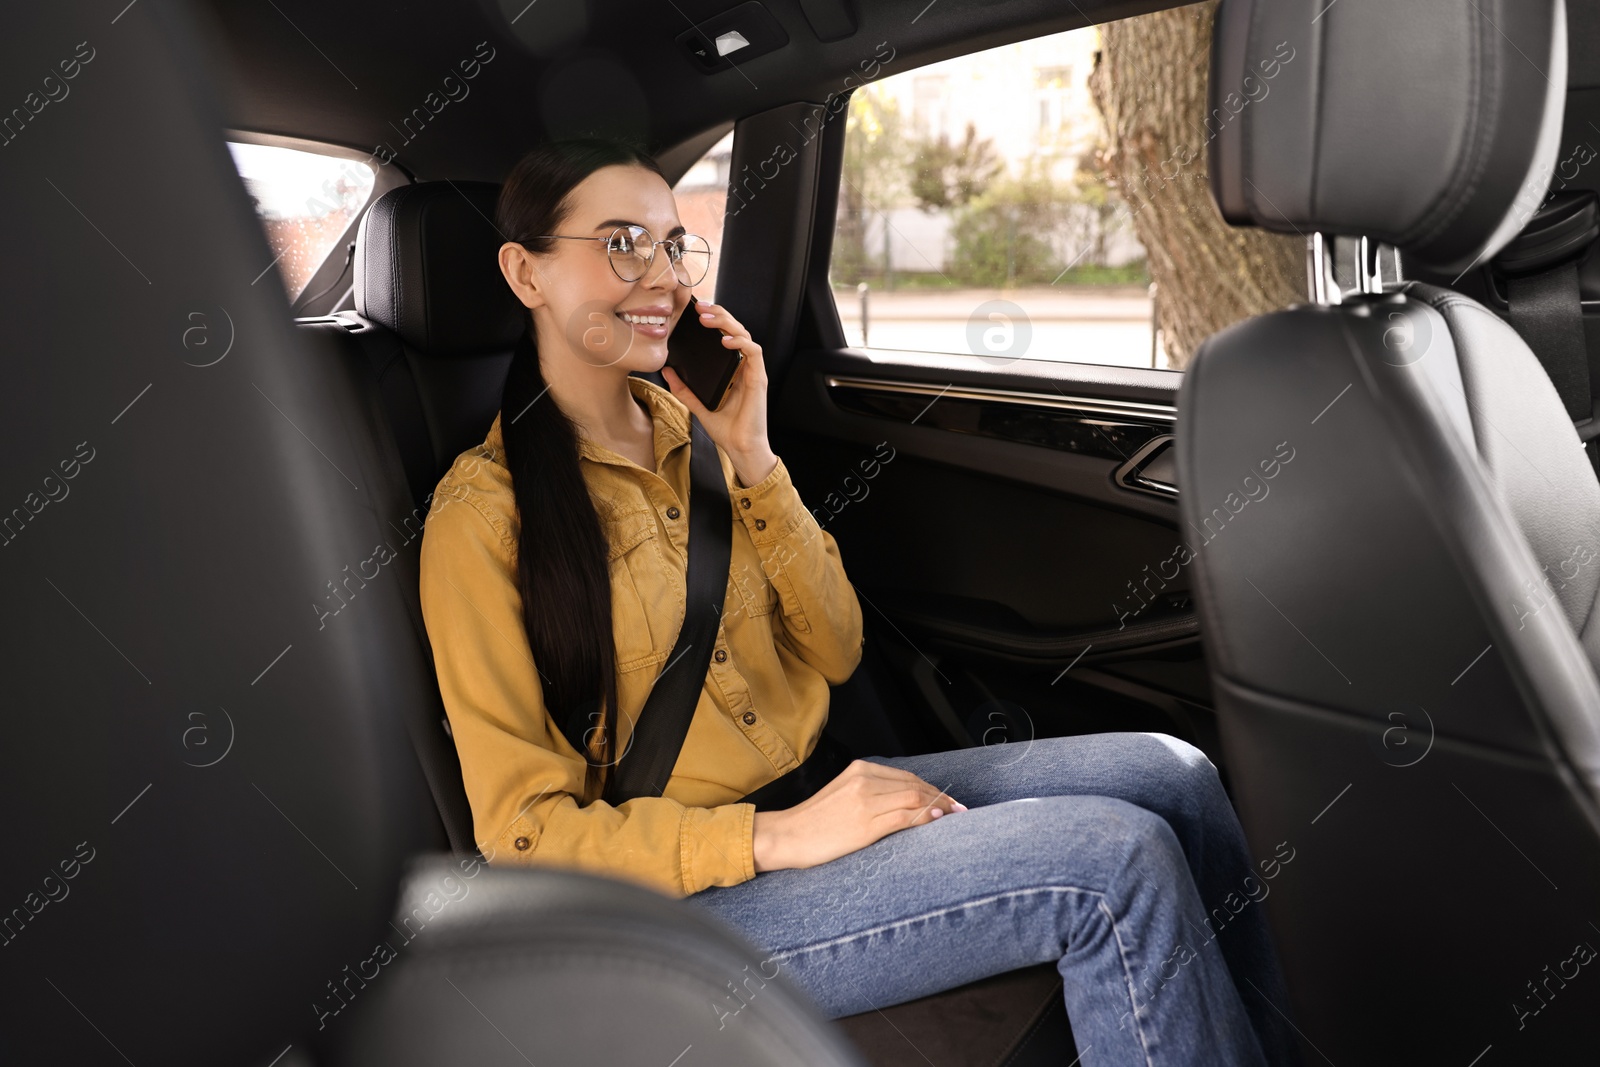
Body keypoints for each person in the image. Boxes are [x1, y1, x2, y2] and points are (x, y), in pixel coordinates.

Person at [417, 137, 1300, 1066]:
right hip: (687, 904)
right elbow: (524, 836)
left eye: (676, 245)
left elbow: (837, 648)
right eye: (624, 243)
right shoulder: (481, 519)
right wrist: (781, 835)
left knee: (1175, 777)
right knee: (1112, 862)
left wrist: (754, 460)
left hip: (814, 798)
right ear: (526, 271)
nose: (663, 278)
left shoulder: (703, 432)